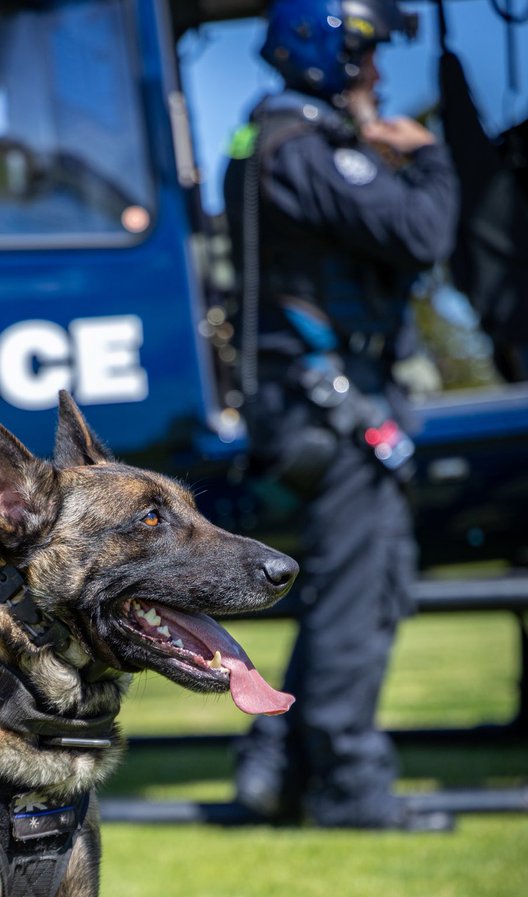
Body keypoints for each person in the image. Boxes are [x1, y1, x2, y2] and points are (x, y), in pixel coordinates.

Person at [223, 0, 459, 829]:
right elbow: (423, 234)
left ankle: (271, 770)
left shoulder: (272, 139)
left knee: (339, 596)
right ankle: (350, 787)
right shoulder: (307, 149)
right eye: (364, 58)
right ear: (326, 54)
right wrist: (427, 158)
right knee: (358, 598)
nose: (376, 76)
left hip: (310, 409)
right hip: (335, 412)